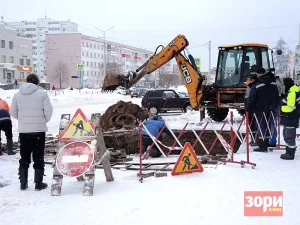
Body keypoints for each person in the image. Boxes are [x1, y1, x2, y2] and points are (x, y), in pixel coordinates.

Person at [10, 73, 53, 191]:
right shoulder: (42, 94)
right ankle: (38, 183)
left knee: (24, 156)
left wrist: (24, 120)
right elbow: (49, 111)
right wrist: (42, 120)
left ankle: (23, 183)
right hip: (39, 131)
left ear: (26, 81)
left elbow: (13, 112)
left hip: (24, 132)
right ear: (37, 82)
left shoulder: (17, 95)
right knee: (38, 156)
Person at [247, 65, 280, 152]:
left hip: (260, 110)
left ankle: (262, 147)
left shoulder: (257, 85)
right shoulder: (273, 84)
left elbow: (252, 98)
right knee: (269, 126)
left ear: (259, 75)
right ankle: (266, 144)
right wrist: (275, 106)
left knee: (261, 127)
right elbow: (277, 97)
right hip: (271, 109)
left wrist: (249, 108)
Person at [280, 77, 300, 160]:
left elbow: (290, 107)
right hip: (292, 117)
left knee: (289, 136)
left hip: (290, 116)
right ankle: (288, 151)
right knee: (286, 134)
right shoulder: (296, 89)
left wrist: (281, 108)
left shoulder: (292, 92)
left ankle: (290, 154)